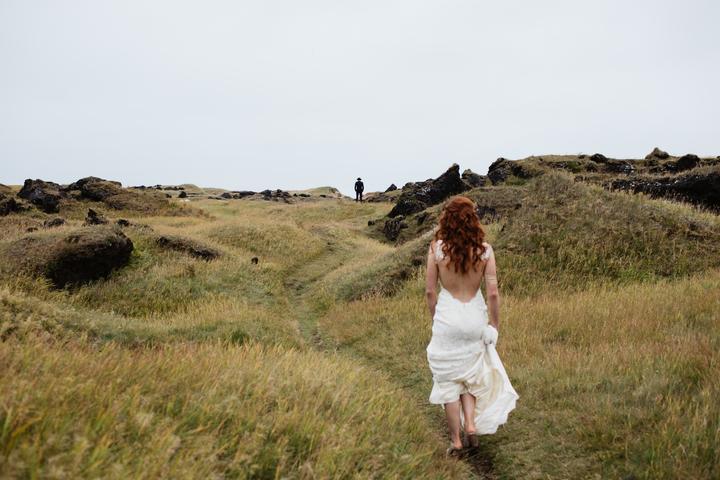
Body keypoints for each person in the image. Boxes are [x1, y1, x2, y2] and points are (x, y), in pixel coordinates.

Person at [425, 196, 518, 457]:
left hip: (448, 317)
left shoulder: (436, 249)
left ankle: (456, 441)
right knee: (471, 374)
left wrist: (436, 319)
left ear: (447, 218)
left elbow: (430, 291)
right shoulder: (485, 251)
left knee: (449, 381)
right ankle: (472, 426)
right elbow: (493, 293)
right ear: (473, 219)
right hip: (475, 317)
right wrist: (494, 325)